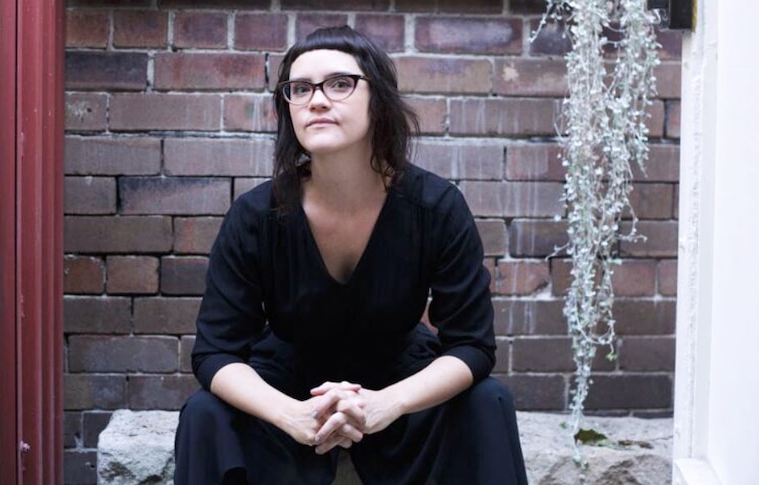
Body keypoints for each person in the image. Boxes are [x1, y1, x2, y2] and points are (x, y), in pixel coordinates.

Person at [174, 25, 528, 485]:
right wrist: (291, 415)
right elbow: (216, 353)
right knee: (205, 412)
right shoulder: (256, 215)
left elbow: (472, 345)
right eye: (299, 89)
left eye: (340, 84)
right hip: (288, 379)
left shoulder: (436, 207)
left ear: (378, 99)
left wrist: (389, 403)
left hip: (401, 379)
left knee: (488, 402)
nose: (316, 101)